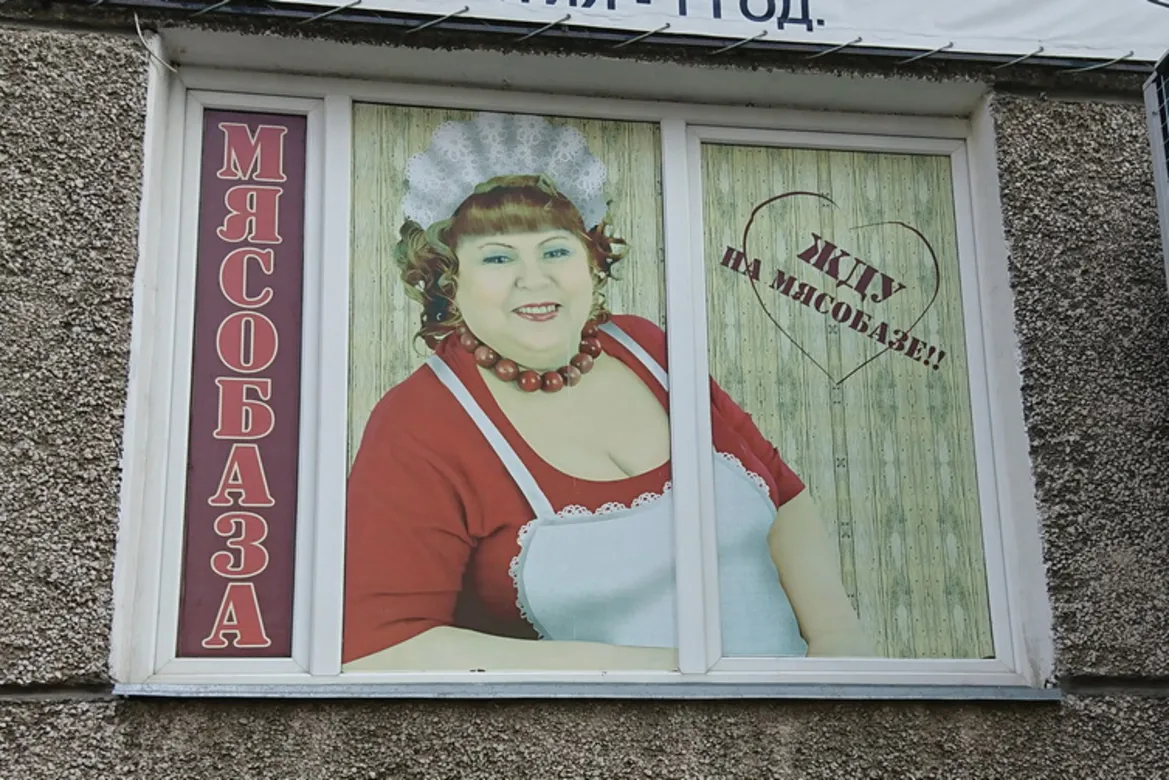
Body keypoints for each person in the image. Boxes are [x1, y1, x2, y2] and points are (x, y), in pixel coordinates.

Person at [343, 120, 869, 672]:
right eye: (498, 258)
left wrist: (838, 641)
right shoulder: (418, 424)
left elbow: (781, 493)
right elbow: (380, 650)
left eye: (555, 251)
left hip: (796, 706)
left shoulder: (648, 349)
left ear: (592, 261)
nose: (534, 280)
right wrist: (679, 674)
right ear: (448, 282)